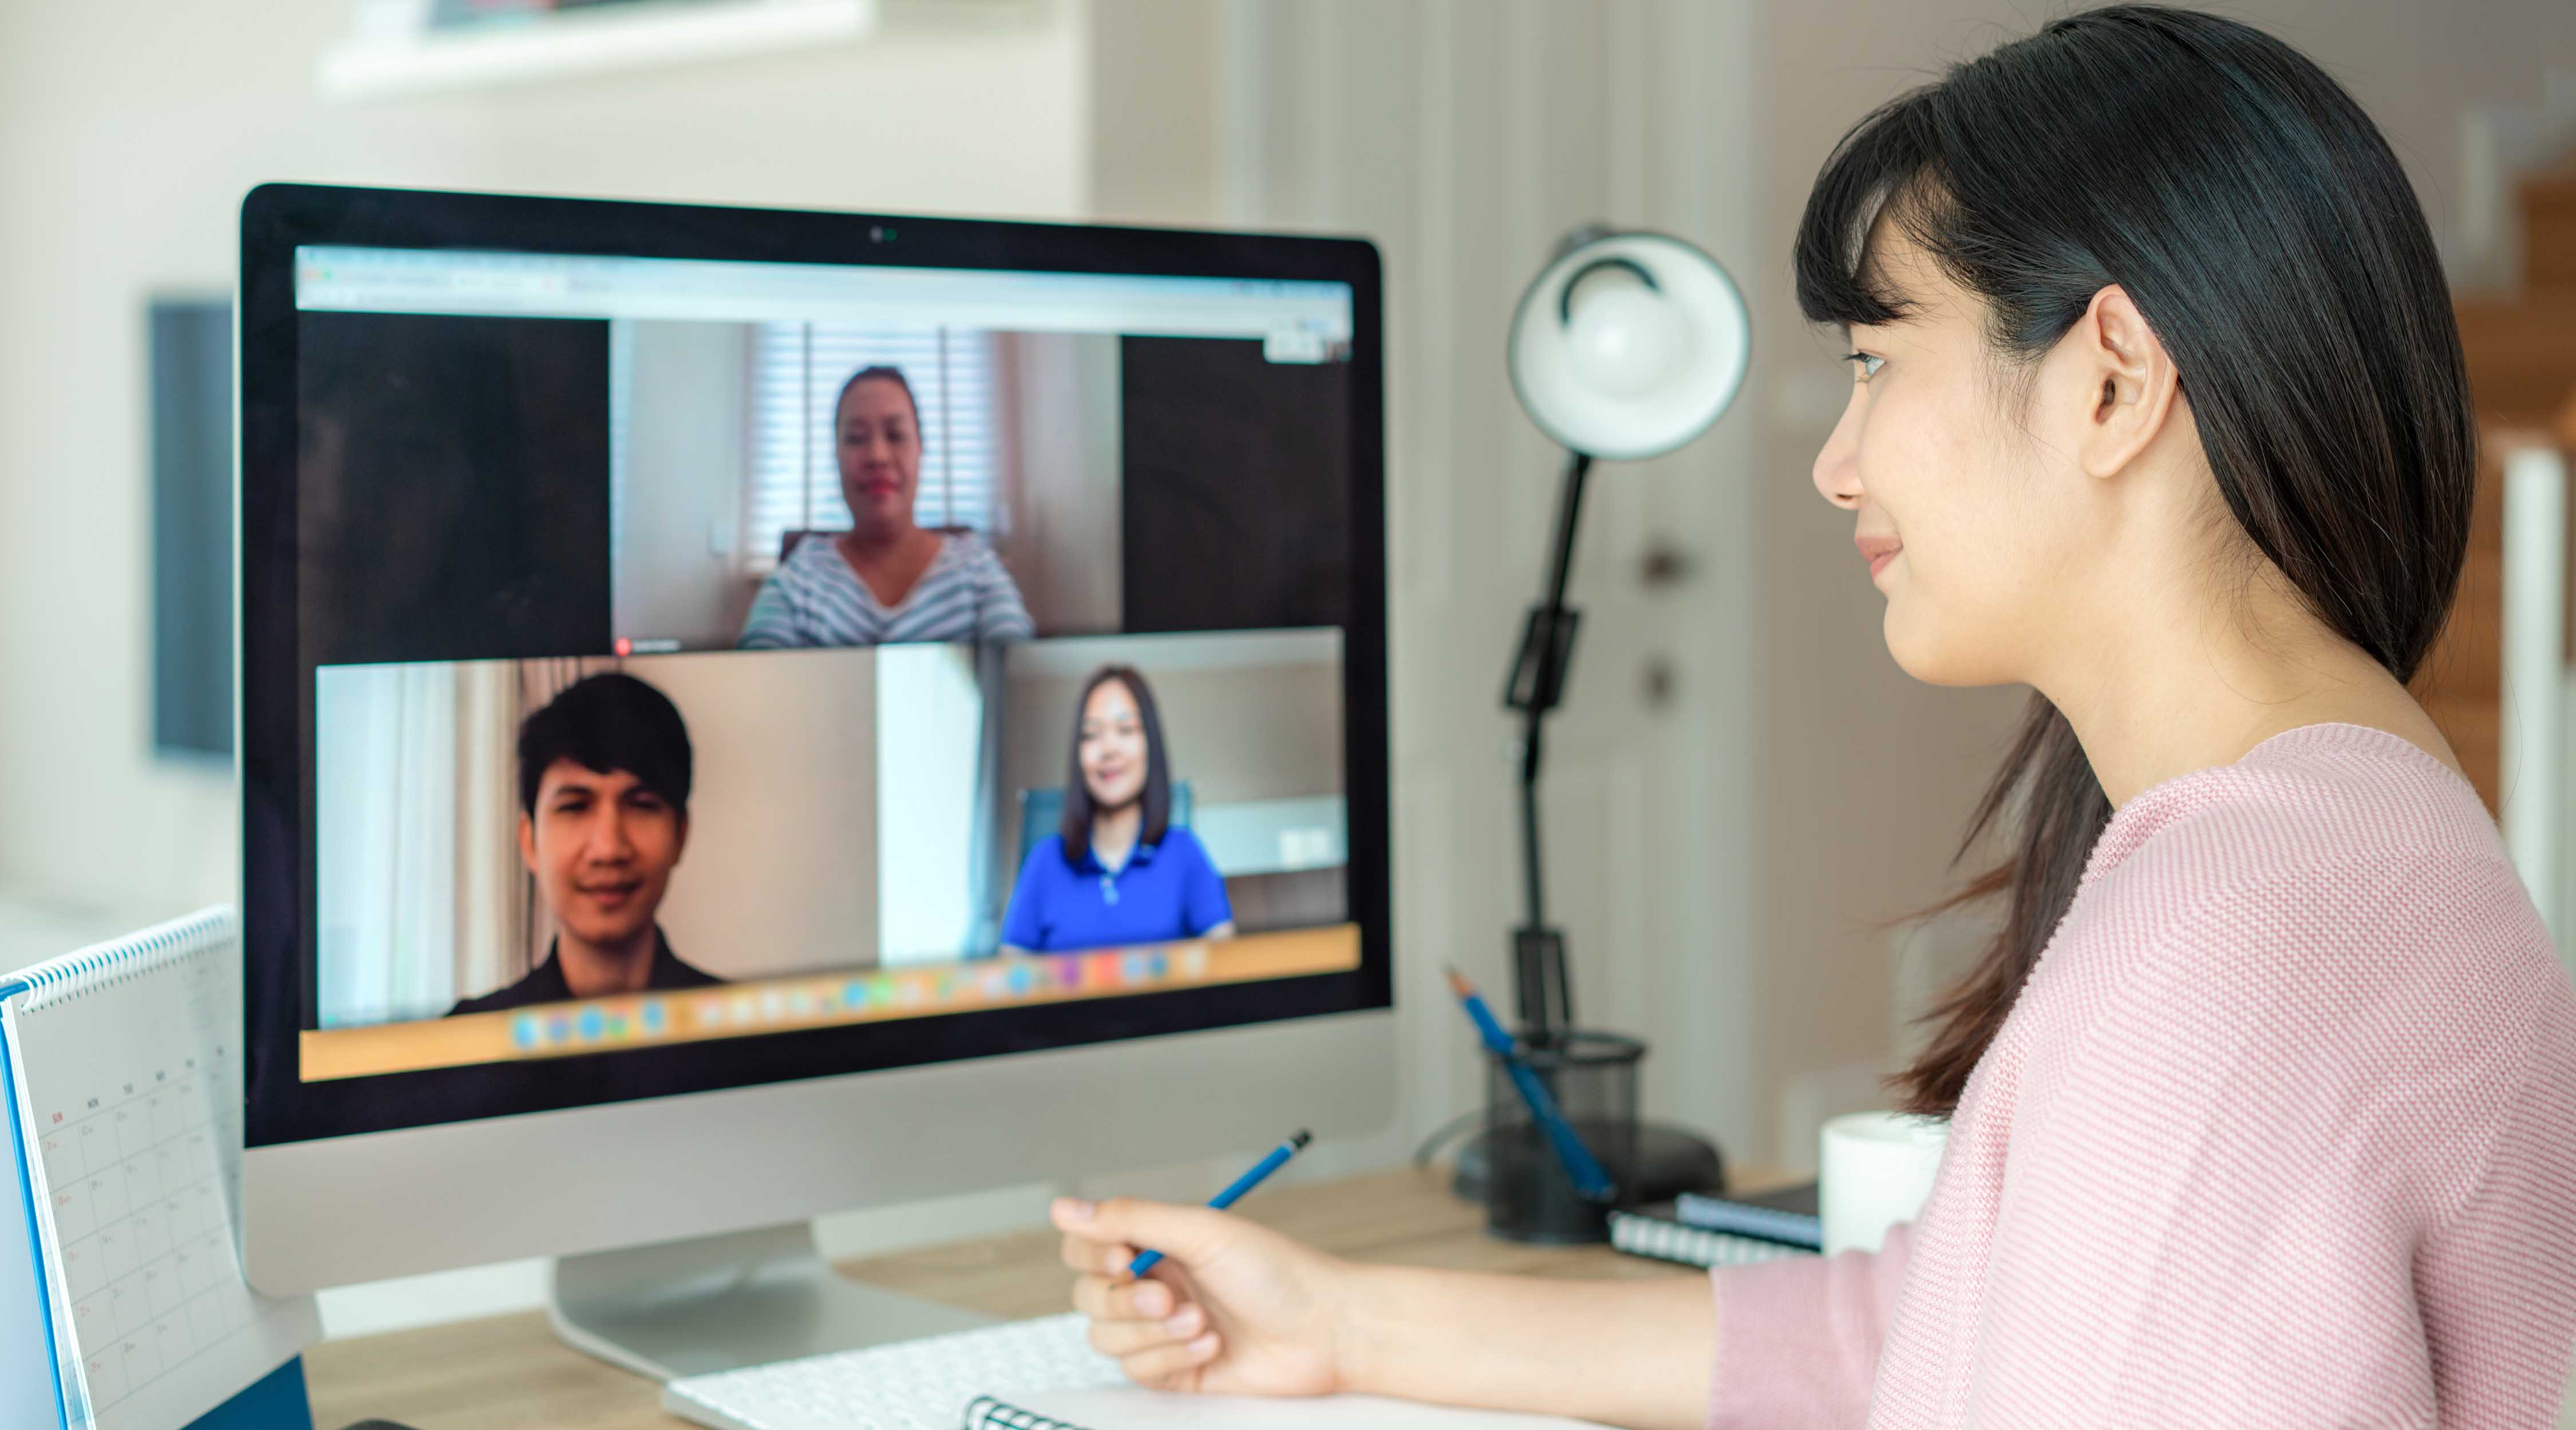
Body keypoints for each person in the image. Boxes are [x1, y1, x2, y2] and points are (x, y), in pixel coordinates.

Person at [1048, 9, 2576, 1427]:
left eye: (1875, 362)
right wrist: (1340, 1326)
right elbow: (1919, 1328)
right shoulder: (2363, 826)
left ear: (2109, 382)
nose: (1834, 462)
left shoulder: (2225, 956)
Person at [449, 672, 722, 1014]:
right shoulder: (470, 1044)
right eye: (575, 807)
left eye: (642, 805)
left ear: (680, 834)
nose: (609, 849)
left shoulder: (749, 1035)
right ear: (530, 841)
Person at [738, 365, 1035, 647]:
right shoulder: (798, 581)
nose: (878, 456)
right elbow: (756, 679)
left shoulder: (976, 570)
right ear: (836, 455)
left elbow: (1022, 676)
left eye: (895, 435)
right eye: (856, 439)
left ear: (921, 448)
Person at [999, 665, 1235, 954]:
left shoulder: (1186, 853)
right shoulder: (1044, 862)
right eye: (1091, 735)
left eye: (1125, 730)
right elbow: (1010, 976)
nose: (1109, 749)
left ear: (1150, 746)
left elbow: (1226, 962)